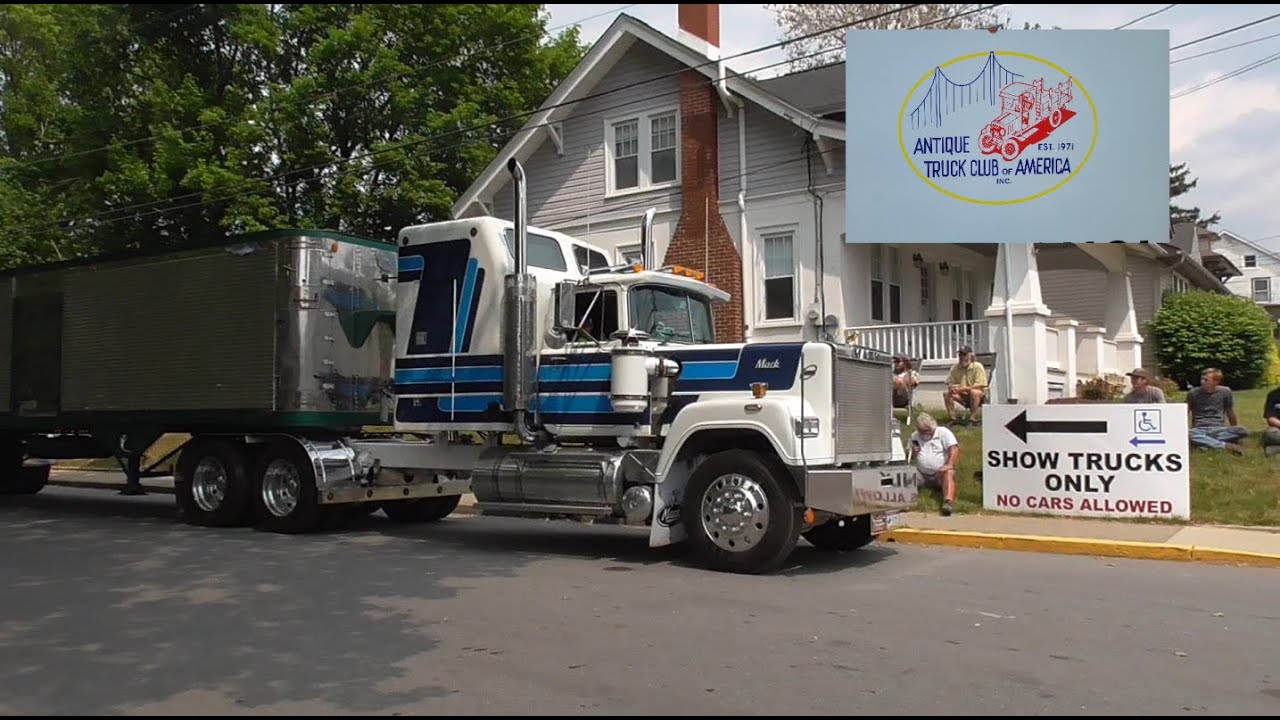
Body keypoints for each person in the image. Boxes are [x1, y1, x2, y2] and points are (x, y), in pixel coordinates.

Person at [1186, 367, 1248, 455]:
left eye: (1206, 380)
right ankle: (1224, 445)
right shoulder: (1193, 393)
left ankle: (1205, 443)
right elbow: (1186, 412)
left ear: (1216, 381)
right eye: (1202, 379)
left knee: (1242, 431)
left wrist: (1234, 427)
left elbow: (1229, 411)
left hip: (1218, 428)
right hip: (1199, 428)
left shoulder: (1225, 392)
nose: (1202, 382)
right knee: (1188, 435)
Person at [909, 412, 959, 517]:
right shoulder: (914, 436)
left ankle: (948, 502)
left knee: (949, 472)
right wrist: (914, 452)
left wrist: (949, 464)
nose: (924, 433)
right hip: (922, 474)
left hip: (939, 473)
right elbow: (912, 457)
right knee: (908, 472)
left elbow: (954, 448)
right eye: (922, 431)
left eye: (927, 431)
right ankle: (907, 500)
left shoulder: (943, 433)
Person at [943, 345, 987, 425]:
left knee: (974, 392)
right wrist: (951, 387)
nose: (962, 357)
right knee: (947, 394)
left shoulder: (977, 366)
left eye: (964, 355)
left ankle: (972, 419)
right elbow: (950, 382)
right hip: (962, 395)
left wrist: (962, 389)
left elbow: (979, 386)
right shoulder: (955, 368)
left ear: (971, 356)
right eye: (960, 355)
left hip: (978, 396)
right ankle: (953, 419)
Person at [1262, 383, 1280, 457]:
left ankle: (1276, 448)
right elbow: (1270, 418)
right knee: (1270, 434)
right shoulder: (1273, 395)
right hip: (1278, 429)